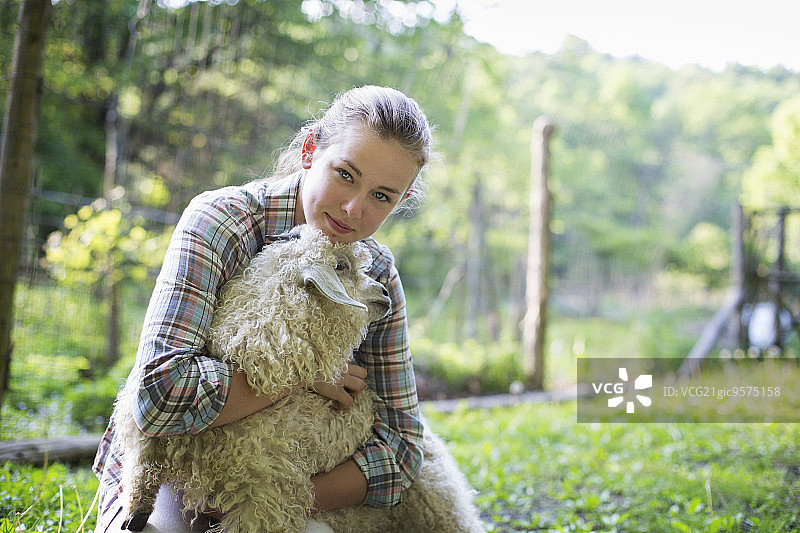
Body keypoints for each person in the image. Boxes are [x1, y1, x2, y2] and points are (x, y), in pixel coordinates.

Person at [93, 85, 434, 532]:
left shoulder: (375, 276)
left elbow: (402, 446)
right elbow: (158, 396)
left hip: (291, 479)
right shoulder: (221, 221)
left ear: (401, 201)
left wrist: (269, 496)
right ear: (312, 149)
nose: (354, 209)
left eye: (382, 196)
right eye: (346, 175)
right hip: (177, 470)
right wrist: (303, 374)